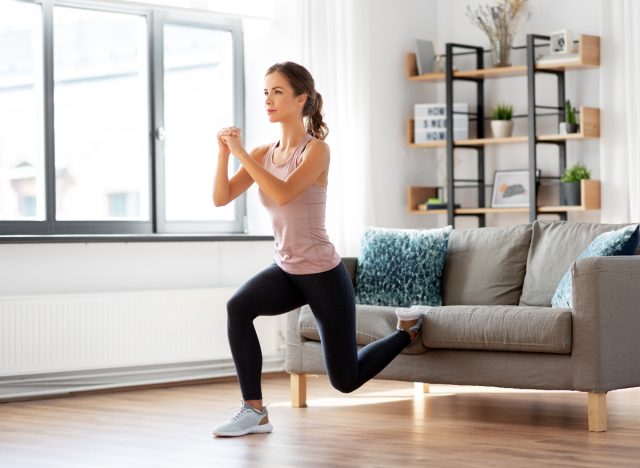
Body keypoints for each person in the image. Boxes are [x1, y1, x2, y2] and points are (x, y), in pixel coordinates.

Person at [211, 61, 425, 438]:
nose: (268, 100)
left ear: (301, 98)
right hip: (287, 270)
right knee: (238, 308)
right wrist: (223, 154)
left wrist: (241, 153)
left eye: (277, 91)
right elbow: (221, 197)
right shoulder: (263, 152)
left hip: (324, 274)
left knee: (345, 380)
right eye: (265, 92)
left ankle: (407, 332)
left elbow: (283, 191)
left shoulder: (317, 152)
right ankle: (254, 411)